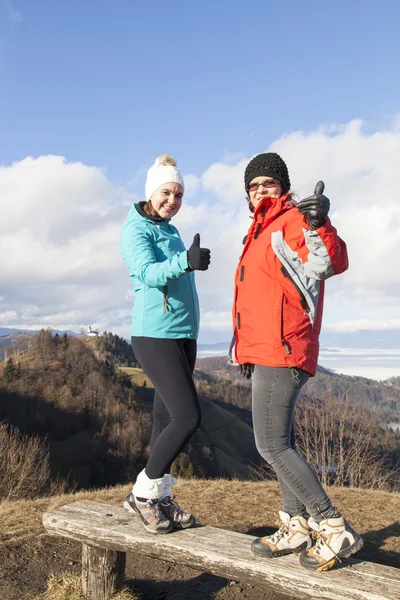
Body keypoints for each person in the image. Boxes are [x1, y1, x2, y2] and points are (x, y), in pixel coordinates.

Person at [230, 152, 363, 571]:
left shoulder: (291, 220)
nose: (259, 191)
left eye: (267, 183)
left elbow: (331, 262)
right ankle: (297, 525)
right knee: (280, 442)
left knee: (270, 444)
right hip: (266, 349)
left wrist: (319, 221)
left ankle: (332, 525)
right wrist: (246, 352)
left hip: (284, 346)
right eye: (253, 186)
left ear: (283, 186)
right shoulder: (258, 230)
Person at [120, 154, 210, 534]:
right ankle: (143, 495)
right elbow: (145, 273)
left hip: (182, 333)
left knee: (164, 418)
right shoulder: (135, 229)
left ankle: (158, 496)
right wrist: (186, 263)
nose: (172, 200)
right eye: (166, 193)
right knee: (187, 417)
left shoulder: (170, 229)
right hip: (154, 335)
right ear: (150, 193)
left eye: (178, 194)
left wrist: (190, 262)